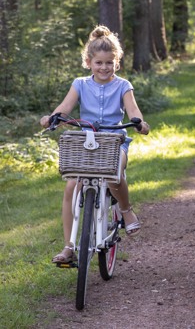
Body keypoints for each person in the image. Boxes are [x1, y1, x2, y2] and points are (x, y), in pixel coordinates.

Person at [40, 25, 150, 264]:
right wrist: (52, 118)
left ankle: (126, 210)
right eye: (99, 63)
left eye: (109, 63)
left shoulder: (123, 86)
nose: (104, 67)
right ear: (89, 62)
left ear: (116, 63)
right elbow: (65, 107)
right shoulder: (80, 84)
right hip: (86, 143)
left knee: (114, 174)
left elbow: (133, 111)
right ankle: (69, 245)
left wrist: (140, 123)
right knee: (71, 186)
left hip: (113, 142)